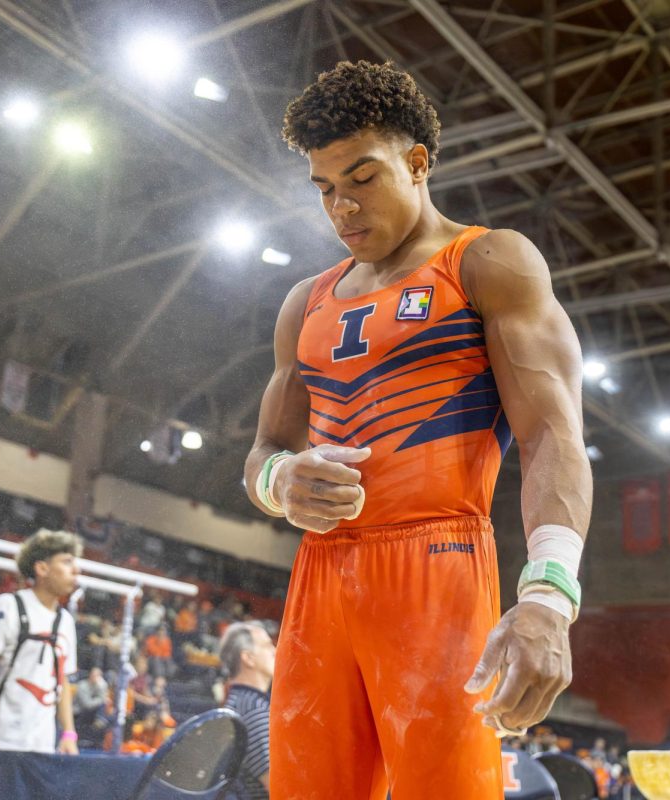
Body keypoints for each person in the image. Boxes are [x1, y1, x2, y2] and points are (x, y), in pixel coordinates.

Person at [244, 60, 592, 799]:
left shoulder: (488, 263)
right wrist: (281, 483)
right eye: (326, 188)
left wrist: (548, 597)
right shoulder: (304, 303)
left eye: (362, 179)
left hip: (437, 565)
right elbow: (264, 454)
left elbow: (553, 437)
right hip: (319, 581)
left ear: (418, 162)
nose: (342, 206)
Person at [0, 528, 82, 755]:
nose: (76, 570)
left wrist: (69, 733)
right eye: (67, 562)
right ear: (42, 568)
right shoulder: (9, 605)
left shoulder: (65, 621)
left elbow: (63, 681)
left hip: (43, 744)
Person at [218, 622, 275, 800]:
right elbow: (279, 787)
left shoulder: (240, 702)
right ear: (248, 658)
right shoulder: (253, 709)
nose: (275, 650)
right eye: (267, 645)